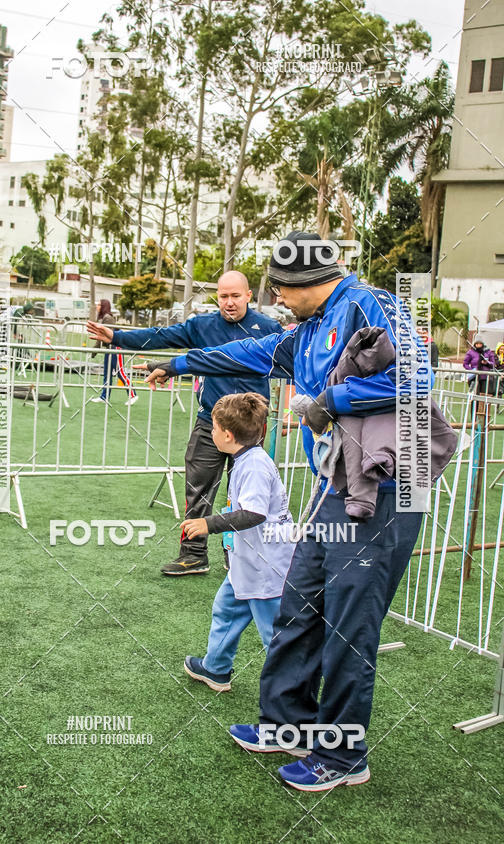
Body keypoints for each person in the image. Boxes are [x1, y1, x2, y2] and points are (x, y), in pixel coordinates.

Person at [146, 231, 449, 792]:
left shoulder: (373, 304)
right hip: (334, 484)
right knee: (298, 605)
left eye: (282, 289)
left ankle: (343, 756)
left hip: (384, 486)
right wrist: (180, 360)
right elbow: (242, 353)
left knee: (350, 625)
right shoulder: (304, 329)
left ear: (311, 281)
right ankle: (287, 725)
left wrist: (324, 403)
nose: (277, 299)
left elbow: (415, 378)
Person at [87, 271, 283, 576]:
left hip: (250, 429)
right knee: (198, 490)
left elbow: (289, 363)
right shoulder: (202, 326)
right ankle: (192, 555)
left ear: (248, 296)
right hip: (211, 424)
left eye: (235, 296)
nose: (229, 303)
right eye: (223, 296)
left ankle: (240, 555)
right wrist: (117, 337)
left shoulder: (268, 328)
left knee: (246, 494)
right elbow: (161, 335)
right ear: (216, 297)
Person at [182, 393, 296, 695]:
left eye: (214, 429)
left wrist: (209, 523)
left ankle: (292, 697)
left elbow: (254, 514)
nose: (212, 433)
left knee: (275, 635)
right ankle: (216, 668)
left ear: (228, 435)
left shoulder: (254, 465)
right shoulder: (245, 458)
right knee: (226, 609)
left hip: (265, 568)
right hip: (247, 563)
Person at [90, 299, 137, 405]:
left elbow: (104, 336)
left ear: (103, 306)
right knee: (107, 373)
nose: (97, 306)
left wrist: (94, 350)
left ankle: (133, 394)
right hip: (109, 349)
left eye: (99, 305)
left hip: (116, 348)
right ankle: (104, 397)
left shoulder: (108, 319)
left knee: (120, 372)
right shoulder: (104, 318)